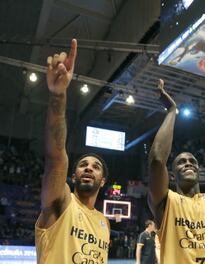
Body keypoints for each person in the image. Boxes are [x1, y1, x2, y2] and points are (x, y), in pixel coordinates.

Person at [148, 80, 205, 263]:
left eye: (192, 161)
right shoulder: (166, 201)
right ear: (173, 174)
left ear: (199, 170)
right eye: (181, 162)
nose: (188, 163)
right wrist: (171, 111)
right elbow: (157, 160)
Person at [35, 39, 110, 263]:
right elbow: (56, 157)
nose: (89, 168)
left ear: (103, 181)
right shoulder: (61, 201)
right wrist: (59, 95)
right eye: (83, 165)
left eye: (96, 167)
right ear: (73, 175)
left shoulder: (104, 223)